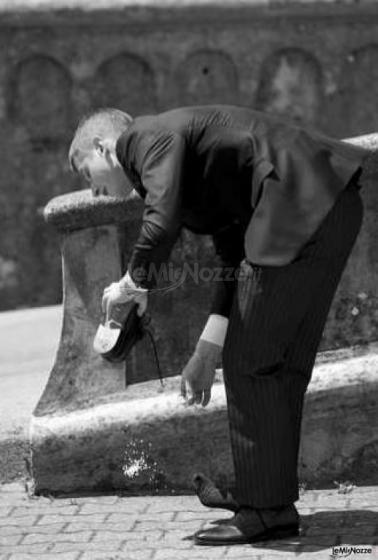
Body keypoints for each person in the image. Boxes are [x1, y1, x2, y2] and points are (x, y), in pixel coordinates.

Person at [68, 105, 368, 545]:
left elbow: (161, 220)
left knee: (252, 363)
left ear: (102, 146)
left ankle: (264, 509)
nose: (91, 191)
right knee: (281, 365)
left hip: (299, 205)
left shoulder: (144, 138)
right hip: (329, 204)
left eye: (85, 172)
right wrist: (206, 352)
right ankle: (266, 499)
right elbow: (234, 256)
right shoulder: (192, 168)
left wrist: (130, 284)